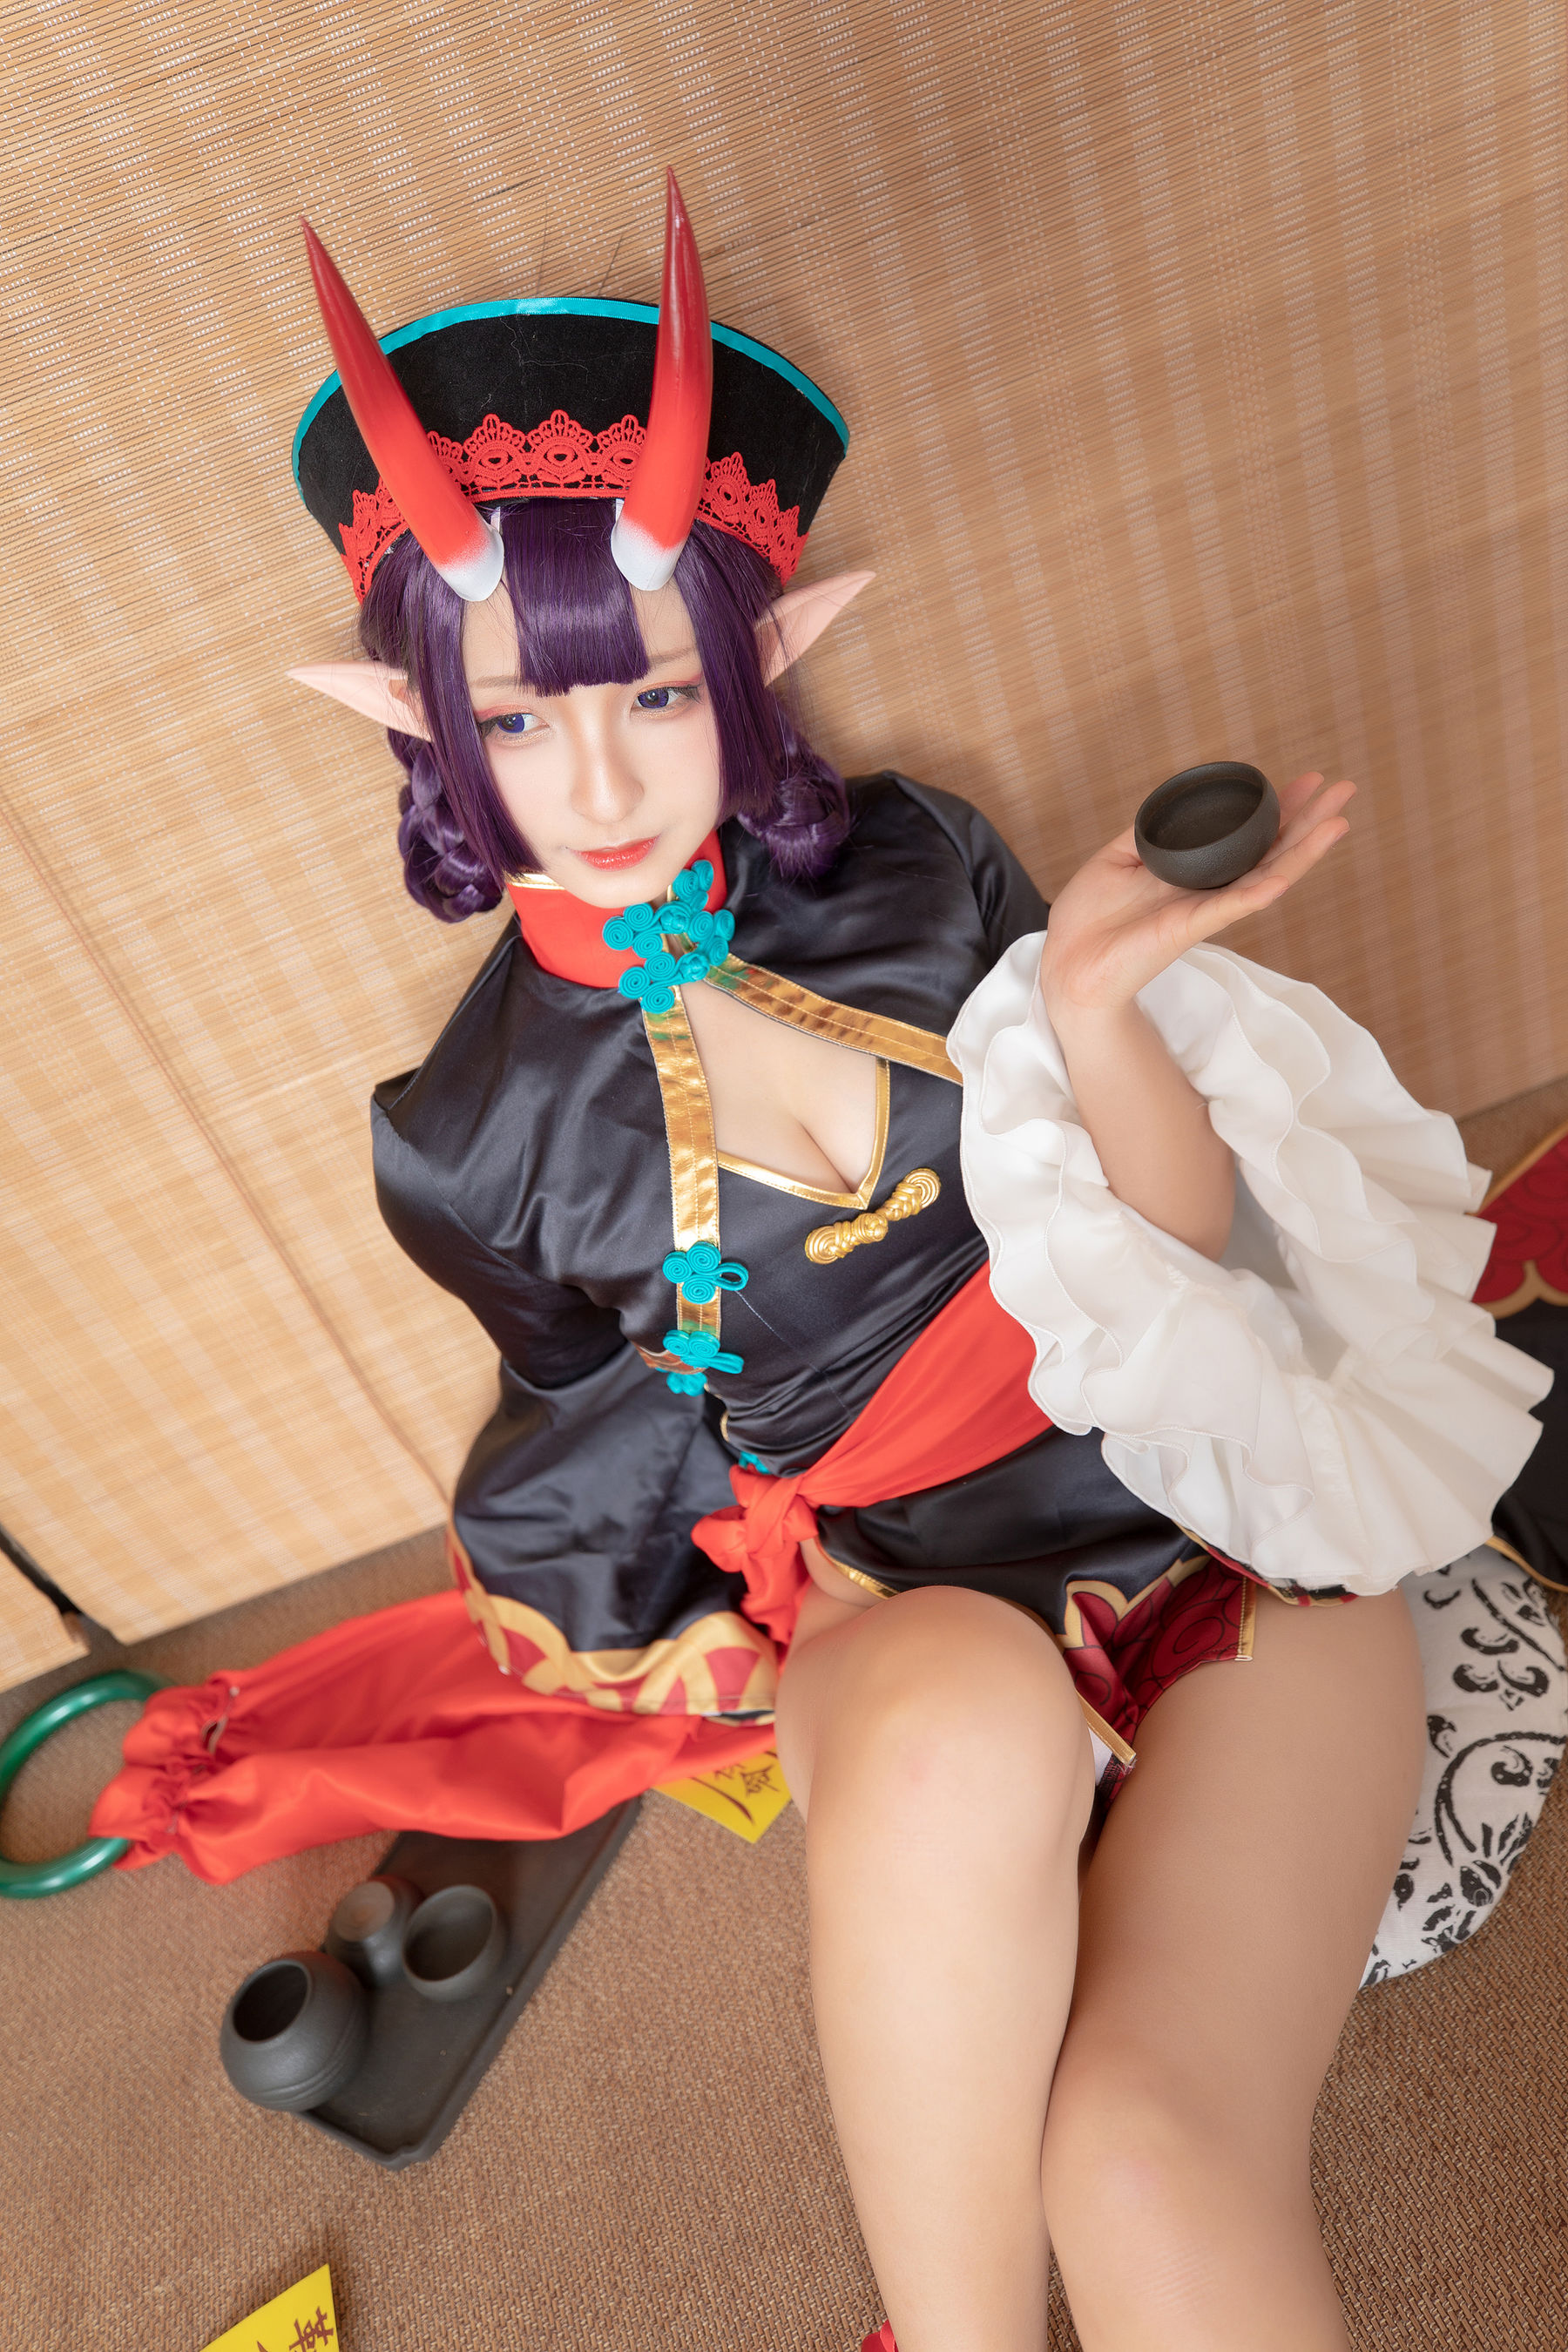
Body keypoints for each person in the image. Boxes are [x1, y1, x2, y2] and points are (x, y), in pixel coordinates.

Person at [287, 178, 1555, 2350]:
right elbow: (594, 1432)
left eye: (654, 692)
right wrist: (673, 1648)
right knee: (960, 1727)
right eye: (517, 718)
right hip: (915, 1607)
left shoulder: (918, 866)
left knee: (1141, 2158)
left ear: (756, 662)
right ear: (418, 726)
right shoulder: (467, 1139)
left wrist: (1096, 1005)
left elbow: (1182, 1252)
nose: (597, 777)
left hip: (1222, 1509)